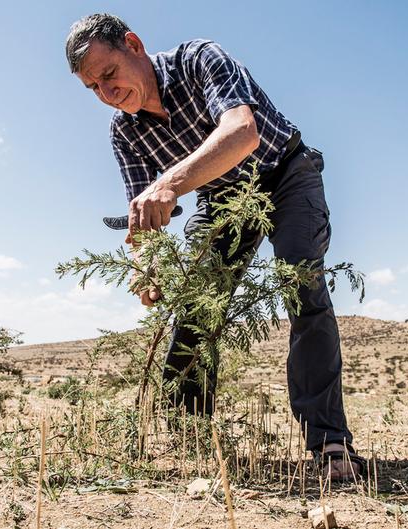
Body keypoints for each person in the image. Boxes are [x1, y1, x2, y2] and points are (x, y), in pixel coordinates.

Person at [66, 13, 363, 481]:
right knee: (197, 304)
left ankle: (329, 442)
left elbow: (242, 133)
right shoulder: (124, 133)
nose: (107, 93)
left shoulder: (198, 59)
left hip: (285, 173)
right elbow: (142, 215)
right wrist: (146, 266)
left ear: (134, 45)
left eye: (108, 75)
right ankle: (189, 437)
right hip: (220, 199)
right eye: (93, 88)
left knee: (302, 289)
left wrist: (170, 183)